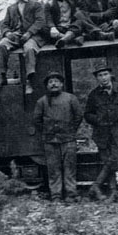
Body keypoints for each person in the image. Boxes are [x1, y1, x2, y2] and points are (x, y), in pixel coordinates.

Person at [84, 63, 118, 202]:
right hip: (102, 134)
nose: (103, 78)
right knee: (107, 162)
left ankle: (96, 186)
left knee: (117, 162)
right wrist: (98, 119)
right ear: (96, 78)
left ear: (110, 75)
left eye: (105, 74)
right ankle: (113, 193)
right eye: (100, 75)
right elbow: (87, 114)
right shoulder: (94, 94)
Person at [34, 72, 83, 203]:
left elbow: (78, 116)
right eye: (50, 82)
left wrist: (71, 130)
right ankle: (56, 196)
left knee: (70, 168)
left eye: (56, 81)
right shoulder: (42, 102)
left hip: (68, 140)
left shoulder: (70, 99)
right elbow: (37, 120)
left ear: (61, 84)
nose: (54, 84)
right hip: (50, 141)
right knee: (53, 169)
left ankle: (71, 195)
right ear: (47, 86)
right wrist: (47, 131)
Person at [0, 0, 47, 94]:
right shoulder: (11, 8)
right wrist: (8, 33)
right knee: (1, 45)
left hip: (33, 36)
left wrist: (29, 33)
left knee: (29, 49)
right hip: (16, 36)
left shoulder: (35, 5)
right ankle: (2, 76)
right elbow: (4, 24)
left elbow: (40, 21)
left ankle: (30, 80)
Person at [45, 0, 115, 48]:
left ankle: (66, 39)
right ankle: (70, 38)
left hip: (72, 27)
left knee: (79, 16)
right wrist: (52, 27)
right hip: (58, 29)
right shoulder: (49, 4)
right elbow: (48, 18)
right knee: (44, 29)